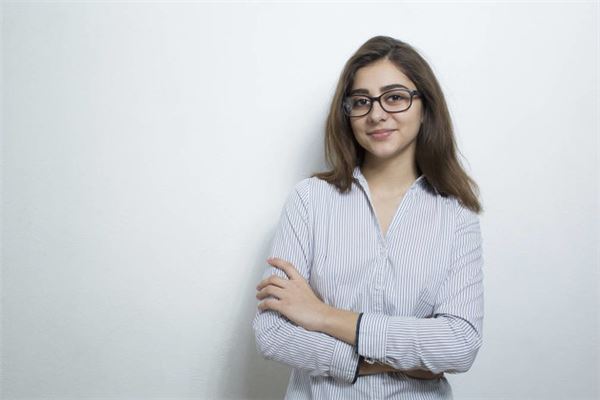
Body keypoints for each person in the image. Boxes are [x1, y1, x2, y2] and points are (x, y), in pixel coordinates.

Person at [252, 35, 484, 399]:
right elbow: (272, 334)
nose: (376, 114)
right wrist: (393, 360)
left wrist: (323, 315)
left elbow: (459, 345)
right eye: (361, 101)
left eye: (395, 97)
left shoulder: (457, 215)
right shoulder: (309, 200)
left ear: (425, 107)